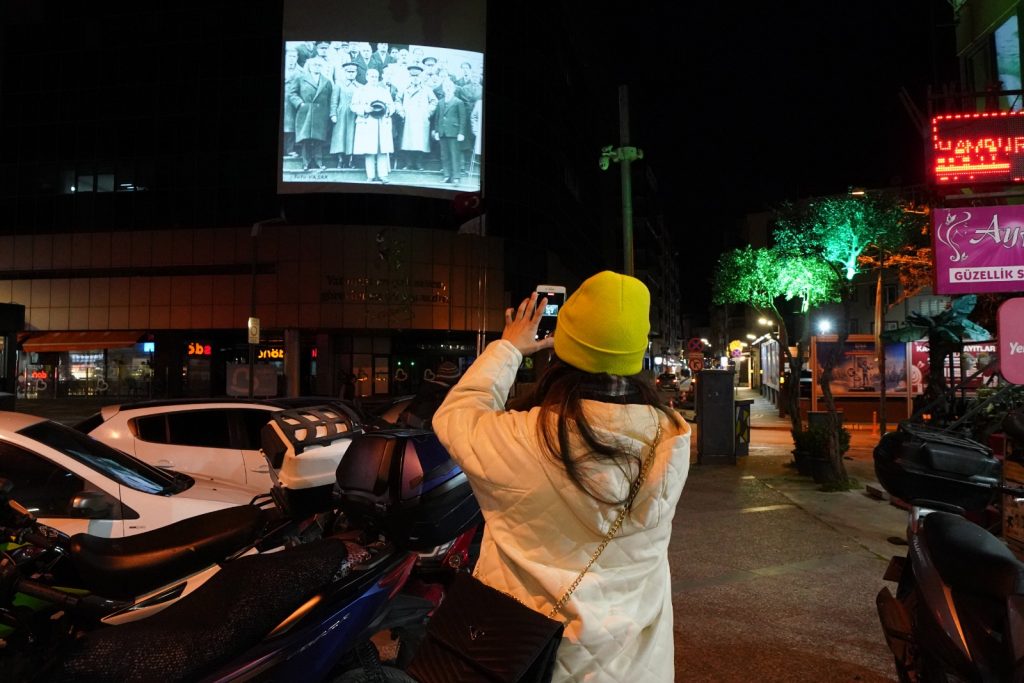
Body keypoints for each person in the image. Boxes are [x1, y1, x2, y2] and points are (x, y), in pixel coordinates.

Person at [433, 271, 690, 682]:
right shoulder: (671, 439)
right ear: (638, 350)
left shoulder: (518, 437)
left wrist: (509, 348)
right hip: (633, 666)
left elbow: (456, 414)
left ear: (562, 348)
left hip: (518, 656)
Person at [288, 56, 333, 171]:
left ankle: (319, 162)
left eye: (319, 65)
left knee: (318, 139)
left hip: (320, 115)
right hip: (305, 113)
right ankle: (306, 163)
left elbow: (330, 98)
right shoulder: (301, 78)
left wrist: (328, 112)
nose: (317, 67)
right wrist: (300, 104)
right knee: (306, 139)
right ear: (309, 66)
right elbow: (292, 94)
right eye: (314, 65)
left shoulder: (327, 81)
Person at [350, 67, 395, 182]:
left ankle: (383, 175)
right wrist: (365, 109)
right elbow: (353, 106)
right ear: (366, 77)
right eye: (371, 76)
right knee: (369, 150)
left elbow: (391, 105)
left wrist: (388, 111)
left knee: (382, 150)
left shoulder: (384, 91)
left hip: (382, 123)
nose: (374, 79)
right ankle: (370, 175)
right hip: (367, 123)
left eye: (376, 76)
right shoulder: (360, 90)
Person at [397, 360, 461, 429]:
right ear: (454, 381)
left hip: (414, 436)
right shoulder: (447, 397)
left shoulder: (424, 392)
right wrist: (423, 424)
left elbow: (405, 416)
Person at [397, 63, 437, 171]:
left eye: (417, 76)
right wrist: (401, 111)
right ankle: (409, 163)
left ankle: (419, 163)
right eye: (412, 76)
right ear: (409, 76)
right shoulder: (404, 88)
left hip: (421, 119)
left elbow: (434, 101)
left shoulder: (426, 88)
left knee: (420, 142)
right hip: (408, 118)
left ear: (421, 76)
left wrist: (428, 112)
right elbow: (397, 101)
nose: (415, 78)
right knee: (408, 141)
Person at [431, 78, 466, 184]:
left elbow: (462, 118)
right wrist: (437, 131)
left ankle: (456, 177)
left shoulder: (458, 102)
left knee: (455, 155)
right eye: (446, 87)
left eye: (450, 87)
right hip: (442, 132)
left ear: (454, 89)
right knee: (444, 155)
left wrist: (461, 132)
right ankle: (446, 175)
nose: (448, 89)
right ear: (443, 89)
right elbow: (437, 118)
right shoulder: (440, 102)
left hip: (454, 132)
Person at [329, 61, 360, 168]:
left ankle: (351, 160)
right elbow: (334, 101)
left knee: (352, 136)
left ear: (356, 73)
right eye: (349, 71)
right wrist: (333, 114)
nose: (351, 74)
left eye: (353, 71)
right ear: (345, 72)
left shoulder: (360, 86)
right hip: (341, 114)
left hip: (354, 115)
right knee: (340, 136)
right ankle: (340, 159)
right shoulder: (339, 85)